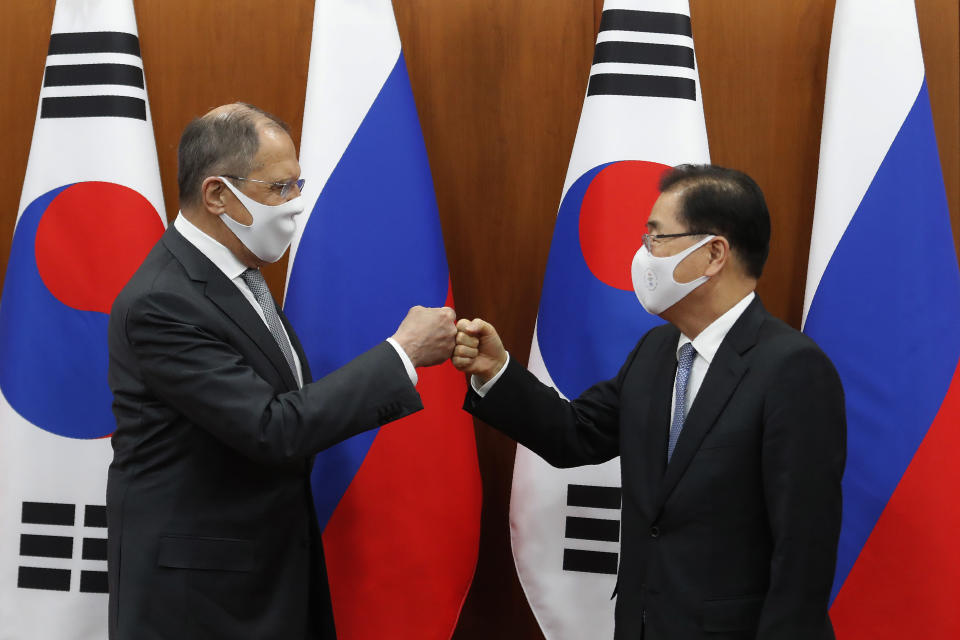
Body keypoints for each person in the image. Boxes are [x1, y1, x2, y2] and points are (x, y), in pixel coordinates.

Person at [106, 103, 456, 639]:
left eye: (297, 184)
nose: (295, 204)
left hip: (264, 575)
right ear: (217, 195)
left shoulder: (235, 273)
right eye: (279, 188)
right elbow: (273, 427)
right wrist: (402, 354)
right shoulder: (163, 301)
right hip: (199, 603)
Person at [453, 164, 846, 639]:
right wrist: (496, 372)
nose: (643, 255)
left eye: (656, 238)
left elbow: (803, 553)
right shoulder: (656, 352)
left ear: (714, 253)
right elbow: (576, 433)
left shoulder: (792, 369)